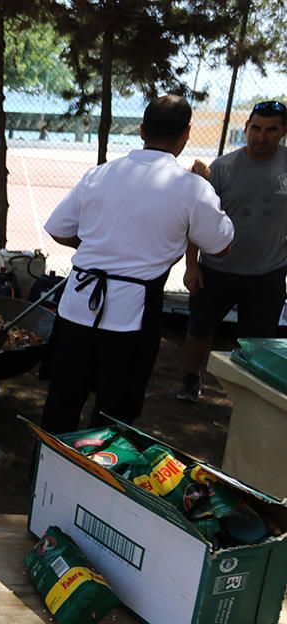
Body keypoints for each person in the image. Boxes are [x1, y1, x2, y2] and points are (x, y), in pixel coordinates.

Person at [39, 95, 234, 434]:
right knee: (114, 411)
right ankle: (98, 482)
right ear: (186, 134)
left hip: (77, 305)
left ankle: (46, 481)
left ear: (142, 130)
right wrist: (206, 186)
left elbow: (58, 229)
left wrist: (101, 249)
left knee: (63, 399)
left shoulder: (99, 175)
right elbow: (222, 246)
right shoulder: (192, 188)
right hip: (132, 313)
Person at [175, 100, 287, 402]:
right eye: (255, 128)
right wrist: (192, 265)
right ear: (247, 127)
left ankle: (249, 391)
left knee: (258, 340)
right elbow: (198, 220)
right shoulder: (223, 168)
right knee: (199, 329)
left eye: (270, 130)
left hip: (268, 273)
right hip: (217, 270)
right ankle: (191, 378)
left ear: (283, 132)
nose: (261, 137)